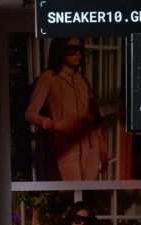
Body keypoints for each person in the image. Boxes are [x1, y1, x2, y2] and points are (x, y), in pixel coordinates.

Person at [24, 38, 105, 182]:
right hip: (66, 150)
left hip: (91, 149)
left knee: (89, 191)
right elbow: (30, 114)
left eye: (80, 49)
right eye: (71, 50)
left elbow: (94, 118)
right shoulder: (48, 78)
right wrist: (54, 124)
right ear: (59, 51)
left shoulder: (82, 79)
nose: (77, 54)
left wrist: (103, 149)